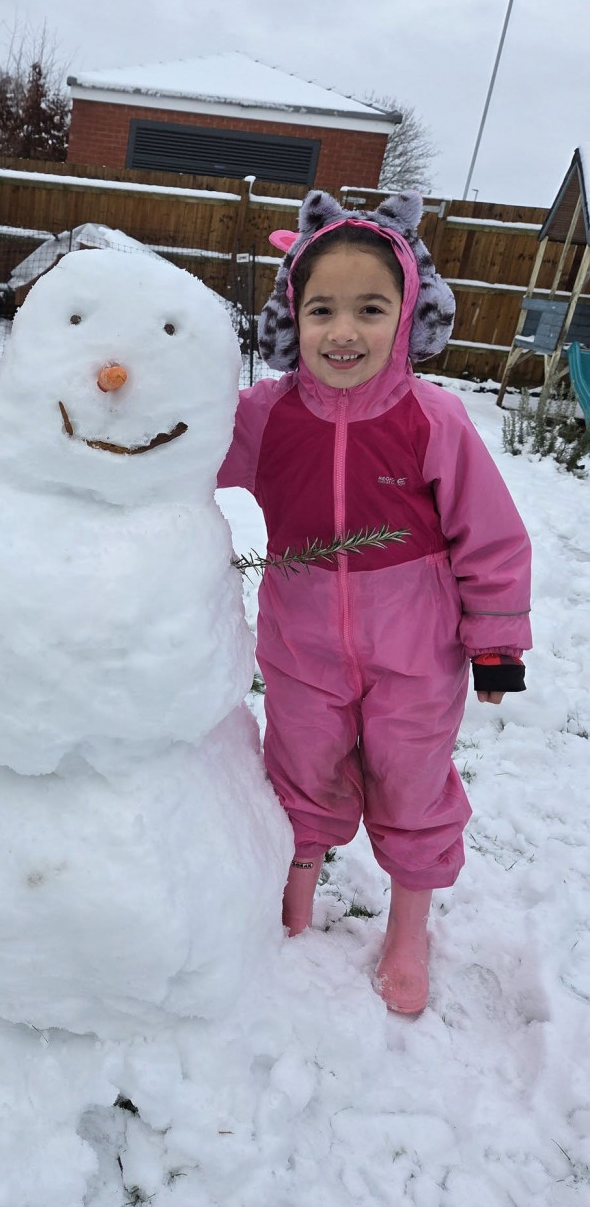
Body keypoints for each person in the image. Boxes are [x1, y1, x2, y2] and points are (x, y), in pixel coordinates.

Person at [219, 188, 531, 1014]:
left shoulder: (435, 419)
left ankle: (408, 925)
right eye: (321, 309)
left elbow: (491, 536)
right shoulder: (264, 417)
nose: (344, 331)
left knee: (412, 778)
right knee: (299, 766)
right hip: (301, 645)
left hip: (418, 653)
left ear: (408, 316)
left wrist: (499, 646)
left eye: (370, 308)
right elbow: (179, 454)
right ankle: (292, 897)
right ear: (292, 318)